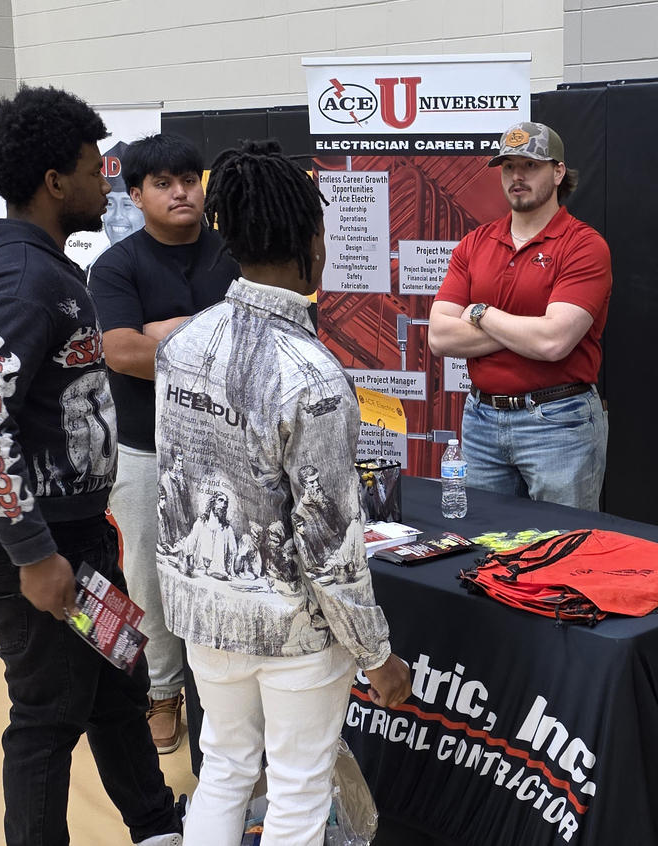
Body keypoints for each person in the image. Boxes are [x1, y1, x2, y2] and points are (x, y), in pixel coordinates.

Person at [154, 139, 411, 846]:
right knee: (298, 786)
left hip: (205, 613)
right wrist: (377, 655)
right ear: (312, 242)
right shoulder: (314, 377)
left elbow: (177, 490)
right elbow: (330, 549)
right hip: (294, 630)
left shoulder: (181, 348)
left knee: (226, 769)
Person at [0, 85, 183, 846]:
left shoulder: (36, 264)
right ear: (54, 182)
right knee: (48, 714)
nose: (104, 181)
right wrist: (34, 554)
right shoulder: (24, 279)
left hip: (74, 529)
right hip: (36, 540)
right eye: (92, 168)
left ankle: (157, 826)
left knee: (117, 684)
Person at [89, 133, 239, 753]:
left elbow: (265, 337)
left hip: (229, 450)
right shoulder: (117, 265)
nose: (181, 192)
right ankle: (162, 693)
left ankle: (222, 700)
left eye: (188, 180)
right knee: (149, 581)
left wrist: (168, 334)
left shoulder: (233, 254)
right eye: (163, 183)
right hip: (145, 450)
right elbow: (121, 351)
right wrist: (215, 342)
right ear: (136, 195)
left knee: (225, 572)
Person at [428, 121, 612, 511]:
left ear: (558, 172)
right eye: (508, 166)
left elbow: (553, 343)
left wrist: (477, 312)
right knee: (484, 545)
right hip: (481, 419)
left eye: (530, 166)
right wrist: (527, 325)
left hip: (558, 421)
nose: (516, 176)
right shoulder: (475, 243)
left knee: (565, 546)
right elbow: (440, 337)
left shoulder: (584, 245)